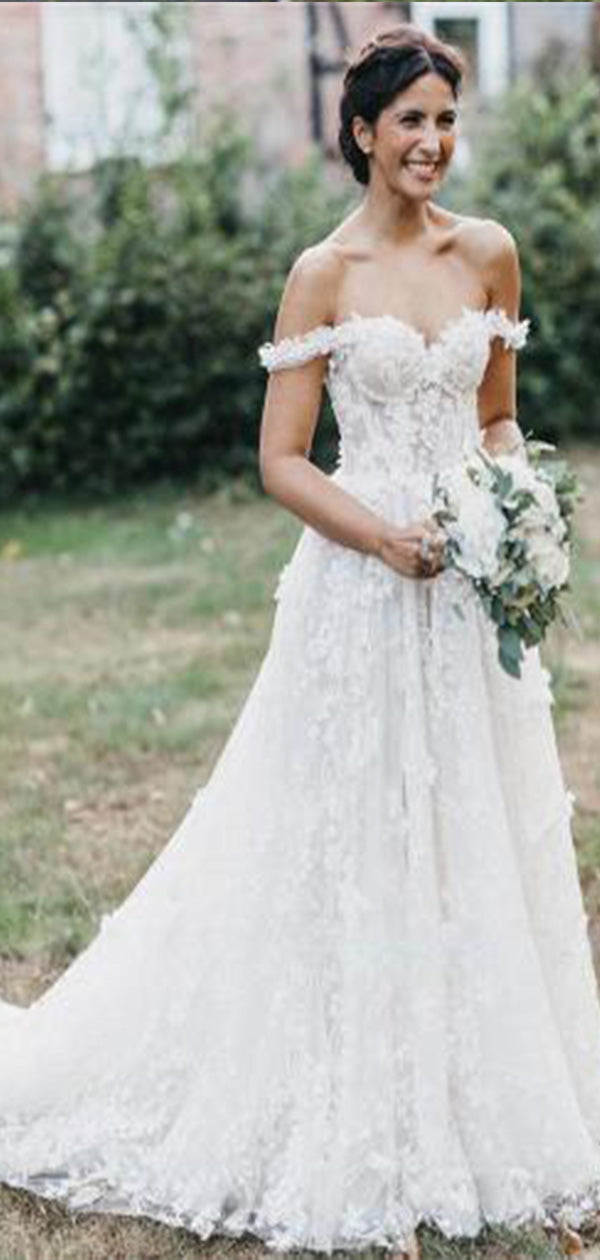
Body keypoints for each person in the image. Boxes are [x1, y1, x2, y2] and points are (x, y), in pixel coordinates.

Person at [1, 20, 600, 1260]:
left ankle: (490, 1103)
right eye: (411, 120)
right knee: (356, 843)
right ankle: (365, 1113)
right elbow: (280, 461)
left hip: (468, 598)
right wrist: (382, 539)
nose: (433, 141)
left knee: (477, 832)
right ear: (362, 132)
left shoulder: (491, 253)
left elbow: (496, 419)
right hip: (362, 596)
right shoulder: (323, 273)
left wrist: (517, 510)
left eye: (447, 119)